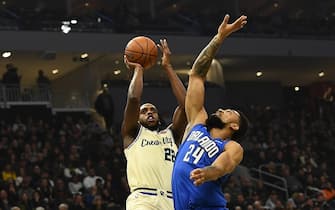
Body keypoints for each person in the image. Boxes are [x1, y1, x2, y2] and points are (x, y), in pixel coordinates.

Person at [172, 14, 249, 210]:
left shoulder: (232, 146)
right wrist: (218, 38)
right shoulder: (197, 123)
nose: (222, 109)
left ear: (234, 126)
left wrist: (209, 172)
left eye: (229, 111)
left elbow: (225, 164)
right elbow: (196, 75)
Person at [122, 39, 187, 210]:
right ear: (137, 118)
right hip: (143, 199)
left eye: (153, 110)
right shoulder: (132, 133)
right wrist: (138, 69)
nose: (149, 112)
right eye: (144, 111)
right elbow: (134, 99)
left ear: (158, 116)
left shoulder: (172, 134)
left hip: (173, 200)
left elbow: (186, 105)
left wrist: (167, 67)